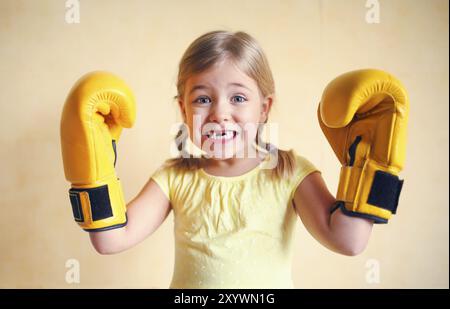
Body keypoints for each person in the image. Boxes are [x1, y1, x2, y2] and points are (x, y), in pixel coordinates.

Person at [60, 30, 409, 289]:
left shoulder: (290, 172)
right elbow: (110, 239)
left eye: (238, 98)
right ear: (183, 109)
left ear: (264, 108)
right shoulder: (175, 176)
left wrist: (370, 167)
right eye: (202, 99)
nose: (220, 114)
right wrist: (92, 169)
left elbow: (348, 242)